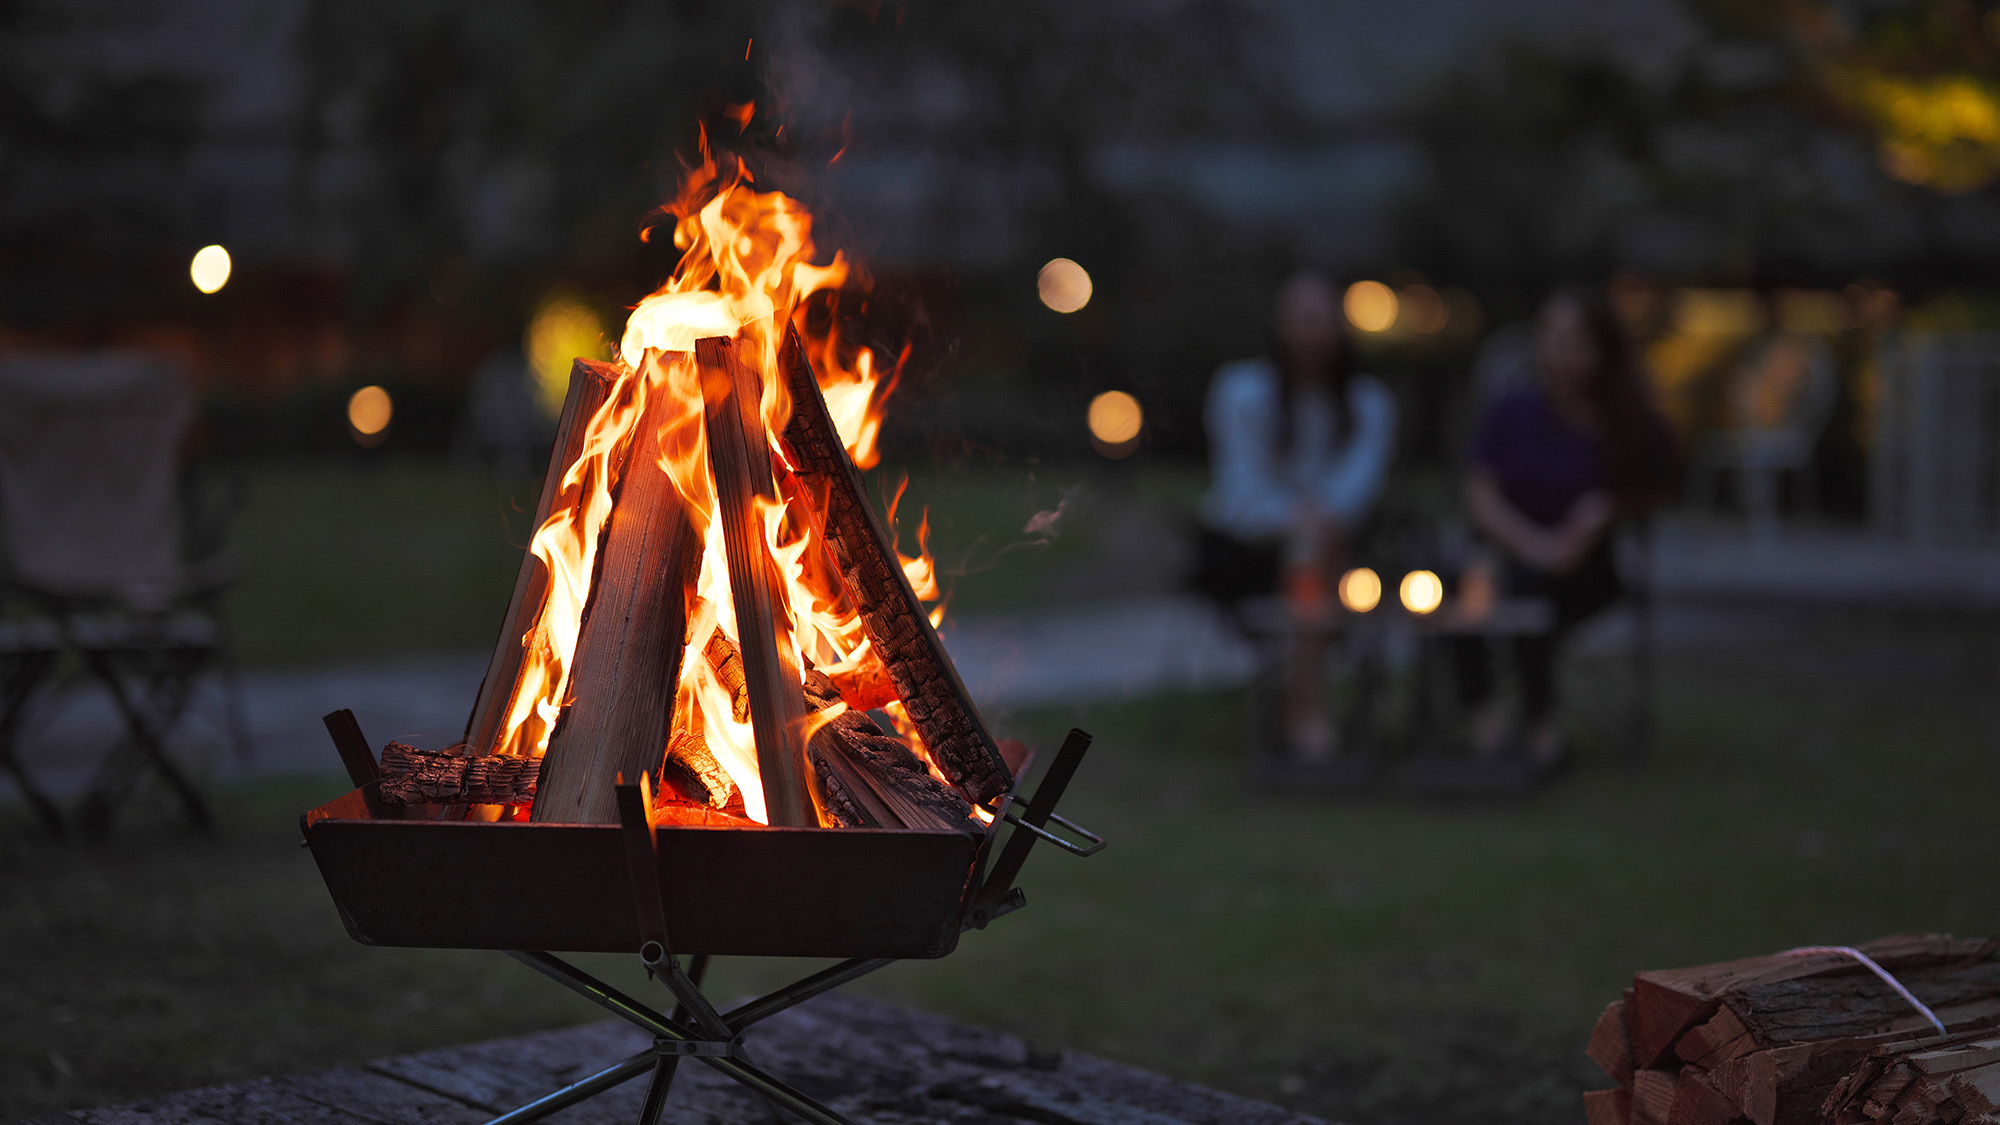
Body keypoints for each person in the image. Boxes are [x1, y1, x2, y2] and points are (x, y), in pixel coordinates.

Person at [1456, 286, 1677, 766]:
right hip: (1511, 555)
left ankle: (1540, 728)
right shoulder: (1513, 411)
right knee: (1461, 585)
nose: (1559, 352)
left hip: (1588, 571)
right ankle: (1484, 722)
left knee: (1531, 594)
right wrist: (1533, 544)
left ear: (1601, 348)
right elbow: (1480, 493)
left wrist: (1599, 513)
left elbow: (1653, 489)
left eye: (1573, 339)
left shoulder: (1627, 424)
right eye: (1549, 337)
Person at [1197, 270, 1398, 760]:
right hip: (1247, 552)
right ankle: (1308, 708)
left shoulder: (1367, 403)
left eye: (1322, 319)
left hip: (1337, 555)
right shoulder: (1242, 391)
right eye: (1303, 319)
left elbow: (1358, 488)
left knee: (1315, 546)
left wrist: (1315, 520)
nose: (1314, 332)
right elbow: (1240, 489)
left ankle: (1300, 701)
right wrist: (1298, 518)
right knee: (1310, 544)